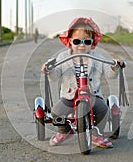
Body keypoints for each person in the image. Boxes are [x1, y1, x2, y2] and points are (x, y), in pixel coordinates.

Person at [41, 17, 123, 148]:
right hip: (69, 96)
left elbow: (109, 73)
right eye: (77, 41)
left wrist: (114, 66)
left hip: (93, 95)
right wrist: (49, 70)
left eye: (87, 41)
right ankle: (64, 131)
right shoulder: (63, 57)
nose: (82, 45)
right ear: (69, 41)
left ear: (93, 42)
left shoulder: (97, 57)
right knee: (57, 112)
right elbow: (55, 75)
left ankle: (97, 134)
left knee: (103, 109)